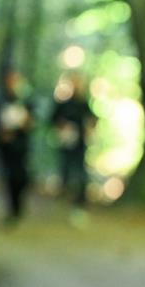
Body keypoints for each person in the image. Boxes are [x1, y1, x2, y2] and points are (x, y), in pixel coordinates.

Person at [51, 72, 96, 224]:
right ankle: (64, 199)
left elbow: (93, 120)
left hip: (80, 145)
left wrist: (89, 129)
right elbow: (52, 120)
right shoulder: (63, 104)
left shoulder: (84, 104)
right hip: (66, 145)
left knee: (81, 174)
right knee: (65, 172)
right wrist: (62, 127)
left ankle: (79, 205)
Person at [0, 69, 33, 225]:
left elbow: (33, 122)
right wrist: (1, 133)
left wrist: (27, 123)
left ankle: (18, 206)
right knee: (10, 178)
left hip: (21, 146)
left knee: (22, 178)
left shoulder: (26, 100)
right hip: (5, 147)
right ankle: (12, 210)